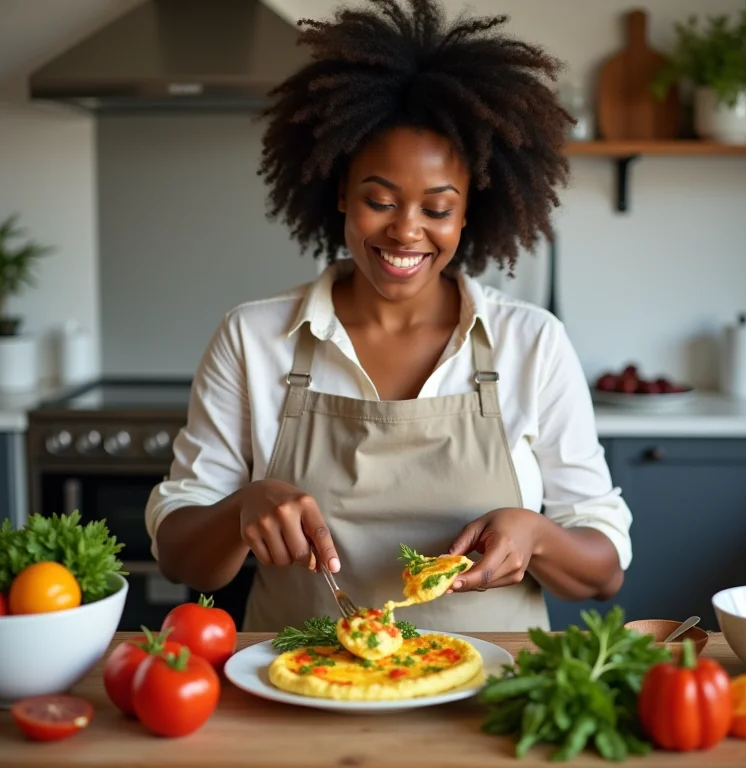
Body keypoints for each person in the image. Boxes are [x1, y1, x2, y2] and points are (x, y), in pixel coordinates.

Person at [145, 0, 632, 632]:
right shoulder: (253, 337)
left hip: (490, 699)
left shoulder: (530, 342)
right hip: (302, 685)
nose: (406, 230)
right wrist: (243, 507)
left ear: (467, 215)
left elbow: (603, 570)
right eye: (380, 200)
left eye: (437, 208)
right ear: (341, 191)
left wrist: (537, 534)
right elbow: (183, 556)